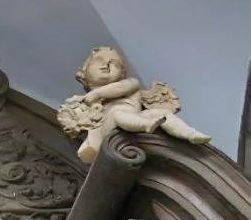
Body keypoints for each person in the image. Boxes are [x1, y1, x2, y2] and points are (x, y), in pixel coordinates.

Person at [58, 47, 209, 163]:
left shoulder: (130, 82)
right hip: (108, 124)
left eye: (114, 63)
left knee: (162, 114)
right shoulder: (82, 102)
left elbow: (118, 89)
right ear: (84, 71)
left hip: (131, 115)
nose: (106, 65)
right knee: (116, 117)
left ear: (122, 73)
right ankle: (145, 125)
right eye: (99, 61)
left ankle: (189, 133)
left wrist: (96, 94)